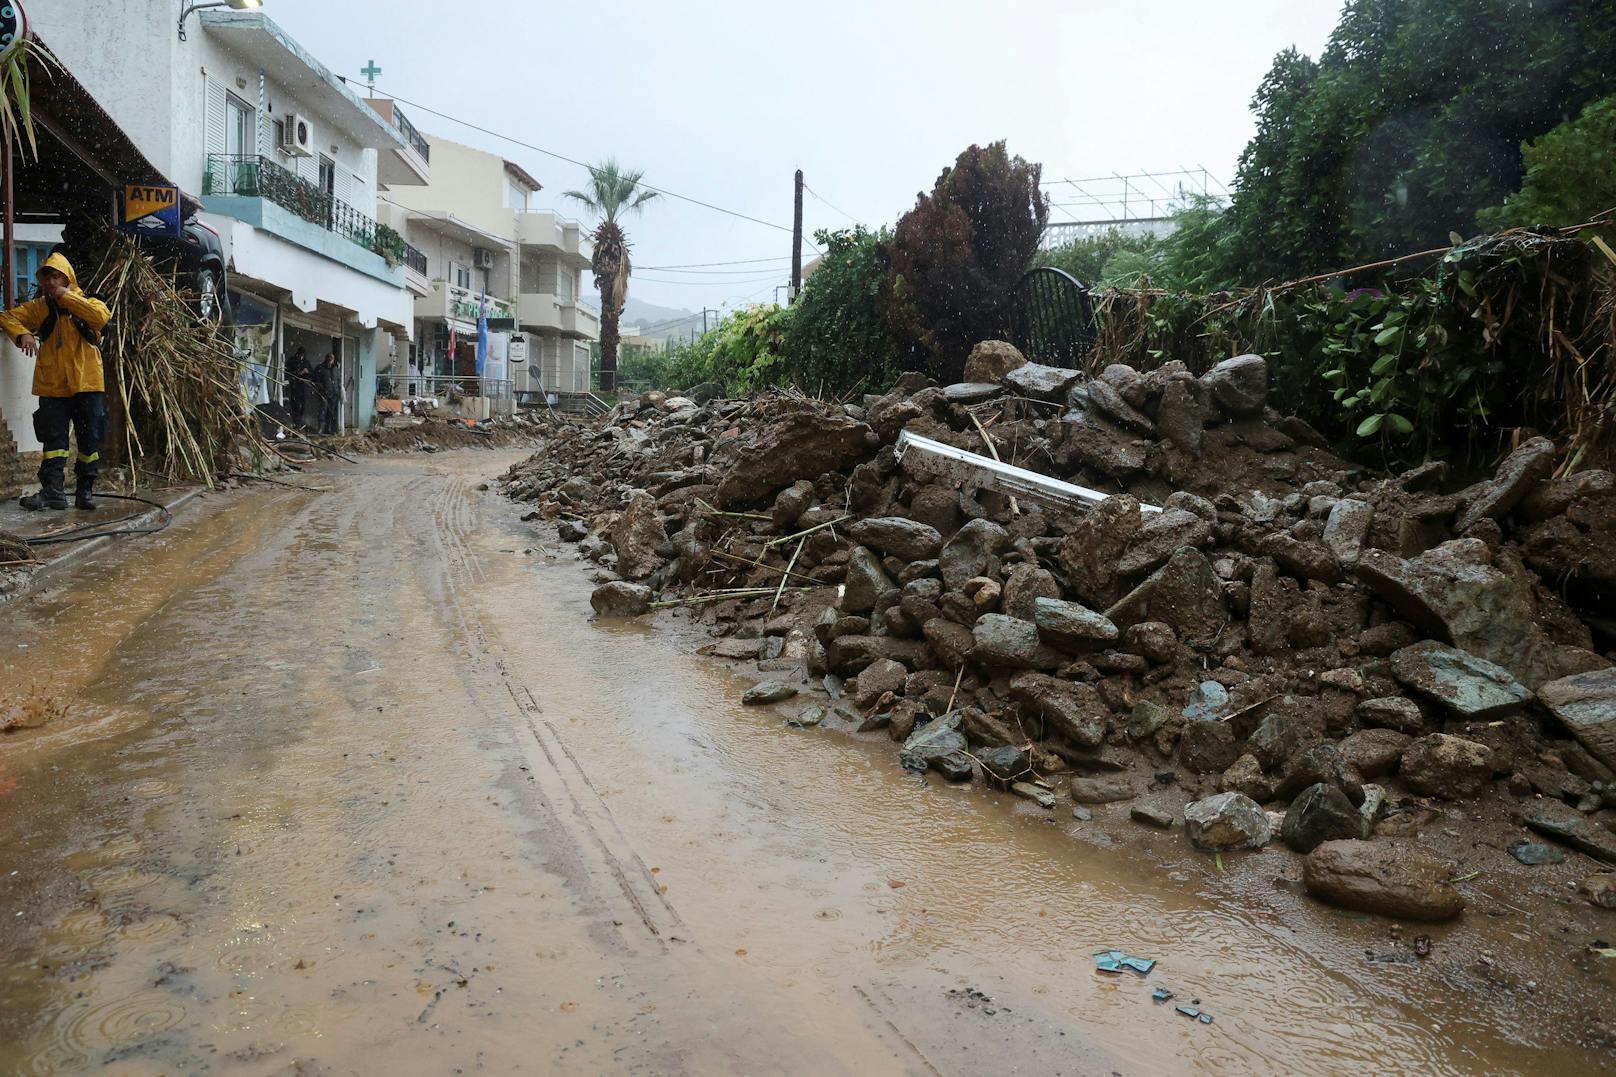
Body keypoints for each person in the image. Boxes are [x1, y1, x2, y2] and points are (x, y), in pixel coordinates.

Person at [0, 253, 113, 511]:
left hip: (88, 384)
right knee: (53, 443)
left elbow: (101, 318)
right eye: (47, 278)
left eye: (56, 277)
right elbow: (6, 317)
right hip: (53, 385)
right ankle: (53, 492)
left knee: (90, 440)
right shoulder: (40, 308)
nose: (50, 282)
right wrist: (23, 335)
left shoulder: (87, 303)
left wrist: (66, 296)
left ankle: (85, 490)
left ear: (68, 278)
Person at [285, 345, 312, 426]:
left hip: (303, 387)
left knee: (302, 406)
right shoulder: (292, 361)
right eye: (300, 354)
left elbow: (312, 374)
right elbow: (287, 371)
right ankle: (295, 423)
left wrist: (307, 372)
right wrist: (297, 373)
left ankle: (298, 423)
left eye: (302, 354)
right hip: (294, 386)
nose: (301, 356)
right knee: (295, 406)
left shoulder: (306, 363)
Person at [316, 352, 341, 435]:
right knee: (322, 411)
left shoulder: (335, 368)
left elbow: (338, 380)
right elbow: (317, 381)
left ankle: (329, 429)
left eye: (332, 358)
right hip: (324, 393)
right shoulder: (320, 368)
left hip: (334, 394)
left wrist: (339, 390)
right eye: (329, 358)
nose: (330, 360)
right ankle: (321, 429)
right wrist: (322, 389)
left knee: (331, 412)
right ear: (326, 359)